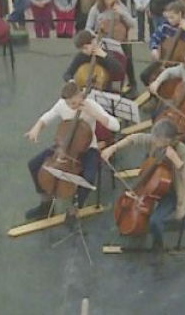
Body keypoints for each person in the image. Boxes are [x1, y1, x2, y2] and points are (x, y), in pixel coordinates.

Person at [24, 81, 121, 222]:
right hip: (64, 146)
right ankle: (46, 203)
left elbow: (115, 126)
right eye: (69, 104)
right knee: (33, 164)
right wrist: (37, 127)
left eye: (74, 103)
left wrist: (95, 114)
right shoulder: (63, 104)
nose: (71, 107)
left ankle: (75, 207)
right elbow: (49, 115)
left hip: (88, 148)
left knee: (88, 177)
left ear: (81, 95)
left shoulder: (91, 105)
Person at [100, 118, 185, 252]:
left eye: (158, 141)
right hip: (153, 186)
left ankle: (158, 245)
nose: (154, 142)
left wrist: (177, 161)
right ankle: (142, 226)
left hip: (174, 192)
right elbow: (134, 138)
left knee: (154, 221)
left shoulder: (182, 151)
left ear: (168, 140)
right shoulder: (155, 140)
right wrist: (113, 148)